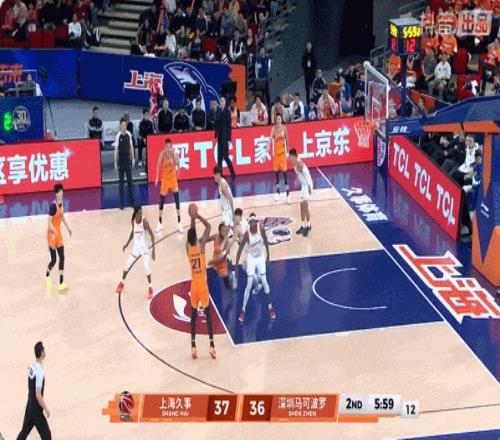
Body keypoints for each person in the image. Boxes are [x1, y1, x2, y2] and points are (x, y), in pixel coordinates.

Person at [235, 213, 276, 323]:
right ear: (249, 224)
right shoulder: (247, 234)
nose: (253, 224)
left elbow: (265, 241)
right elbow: (239, 250)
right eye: (251, 223)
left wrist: (268, 255)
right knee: (248, 285)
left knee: (264, 281)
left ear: (256, 222)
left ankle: (270, 307)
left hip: (260, 257)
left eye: (254, 222)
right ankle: (243, 310)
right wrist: (236, 267)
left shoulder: (260, 229)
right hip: (252, 258)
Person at [186, 211, 216, 359]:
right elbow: (209, 226)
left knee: (193, 316)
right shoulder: (201, 245)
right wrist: (197, 216)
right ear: (196, 237)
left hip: (194, 285)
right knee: (208, 315)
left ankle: (193, 347)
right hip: (202, 285)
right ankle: (212, 346)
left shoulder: (188, 248)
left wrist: (192, 219)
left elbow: (192, 232)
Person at [116, 206, 156, 299]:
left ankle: (150, 287)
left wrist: (153, 250)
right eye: (139, 213)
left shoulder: (144, 222)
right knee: (126, 266)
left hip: (144, 249)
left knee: (146, 267)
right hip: (136, 249)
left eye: (142, 213)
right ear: (136, 213)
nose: (141, 214)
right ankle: (122, 283)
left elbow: (152, 235)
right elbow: (132, 233)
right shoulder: (133, 221)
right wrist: (126, 244)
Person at [16, 341, 51, 440]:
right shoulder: (40, 372)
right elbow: (38, 394)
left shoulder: (31, 367)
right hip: (36, 410)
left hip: (30, 406)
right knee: (47, 436)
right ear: (42, 353)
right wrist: (46, 408)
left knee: (24, 433)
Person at [45, 183, 71, 292]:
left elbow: (62, 216)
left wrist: (68, 228)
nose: (62, 193)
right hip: (51, 235)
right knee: (54, 260)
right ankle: (47, 275)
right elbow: (49, 222)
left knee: (62, 257)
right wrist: (54, 231)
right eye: (60, 191)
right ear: (56, 194)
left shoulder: (62, 203)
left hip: (58, 234)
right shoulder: (52, 206)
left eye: (62, 191)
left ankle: (61, 282)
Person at [155, 138, 183, 234]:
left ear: (171, 147)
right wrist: (157, 177)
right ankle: (159, 223)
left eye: (169, 147)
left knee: (177, 201)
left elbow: (178, 164)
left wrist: (178, 173)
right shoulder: (162, 154)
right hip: (165, 180)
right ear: (164, 147)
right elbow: (158, 165)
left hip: (173, 180)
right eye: (166, 147)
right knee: (161, 202)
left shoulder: (174, 154)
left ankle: (179, 223)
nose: (168, 148)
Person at [266, 113, 290, 203]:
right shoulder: (274, 129)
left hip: (283, 154)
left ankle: (288, 194)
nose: (278, 120)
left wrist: (288, 152)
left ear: (281, 119)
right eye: (277, 119)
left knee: (285, 175)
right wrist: (267, 146)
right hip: (276, 154)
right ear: (276, 120)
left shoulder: (284, 128)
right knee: (276, 175)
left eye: (280, 119)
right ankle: (278, 192)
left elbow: (287, 140)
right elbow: (270, 138)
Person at [289, 149, 313, 236]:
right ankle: (303, 226)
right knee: (301, 205)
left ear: (294, 156)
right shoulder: (295, 163)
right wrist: (297, 180)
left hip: (308, 185)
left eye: (290, 157)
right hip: (303, 185)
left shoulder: (299, 163)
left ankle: (308, 226)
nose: (289, 159)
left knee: (305, 206)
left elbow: (304, 172)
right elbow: (299, 175)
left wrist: (309, 187)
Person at [113, 117, 135, 210]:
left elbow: (131, 147)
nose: (124, 127)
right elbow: (116, 150)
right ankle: (121, 204)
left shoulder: (129, 134)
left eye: (125, 125)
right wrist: (115, 162)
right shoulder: (118, 136)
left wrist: (133, 158)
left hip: (128, 161)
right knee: (121, 183)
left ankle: (132, 202)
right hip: (121, 162)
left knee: (130, 182)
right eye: (122, 125)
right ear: (120, 126)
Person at [215, 96, 236, 181]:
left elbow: (229, 127)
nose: (221, 102)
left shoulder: (227, 112)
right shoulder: (218, 111)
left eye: (223, 101)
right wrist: (215, 136)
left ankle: (233, 173)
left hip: (225, 137)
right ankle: (220, 175)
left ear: (225, 102)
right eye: (220, 101)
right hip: (219, 137)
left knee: (226, 156)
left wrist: (229, 139)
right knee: (219, 157)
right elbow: (217, 124)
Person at [207, 223, 234, 289]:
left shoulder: (227, 241)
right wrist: (201, 241)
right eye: (222, 230)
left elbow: (222, 257)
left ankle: (231, 275)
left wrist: (212, 261)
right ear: (219, 231)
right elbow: (206, 239)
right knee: (210, 285)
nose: (223, 232)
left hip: (222, 265)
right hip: (214, 265)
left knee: (227, 286)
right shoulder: (216, 236)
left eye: (225, 230)